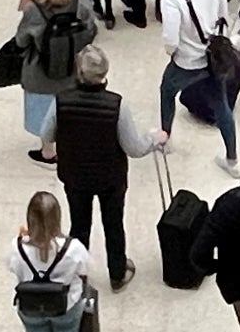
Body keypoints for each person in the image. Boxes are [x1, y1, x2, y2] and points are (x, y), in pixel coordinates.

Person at [54, 47, 165, 292]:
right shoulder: (117, 105)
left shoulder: (60, 101)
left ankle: (77, 274)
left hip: (75, 175)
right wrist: (154, 139)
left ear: (79, 72)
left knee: (79, 225)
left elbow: (46, 134)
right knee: (113, 224)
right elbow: (133, 148)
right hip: (110, 178)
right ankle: (117, 273)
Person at [154, 0, 237, 164]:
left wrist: (173, 52)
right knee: (221, 105)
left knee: (167, 91)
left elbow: (171, 38)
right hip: (215, 59)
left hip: (188, 61)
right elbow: (223, 15)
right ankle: (232, 159)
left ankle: (165, 139)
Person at [12, 0, 96, 164]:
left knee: (43, 112)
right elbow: (90, 32)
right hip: (72, 68)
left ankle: (48, 151)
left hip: (40, 73)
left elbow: (22, 40)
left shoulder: (33, 9)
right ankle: (69, 144)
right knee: (68, 110)